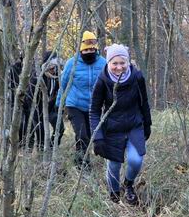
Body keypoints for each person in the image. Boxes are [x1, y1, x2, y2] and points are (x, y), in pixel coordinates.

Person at [89, 44, 151, 205]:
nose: (119, 67)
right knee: (114, 165)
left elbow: (144, 102)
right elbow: (94, 111)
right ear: (108, 63)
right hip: (112, 128)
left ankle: (128, 184)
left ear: (128, 62)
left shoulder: (137, 77)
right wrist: (98, 137)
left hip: (134, 125)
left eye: (122, 63)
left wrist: (147, 124)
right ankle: (114, 195)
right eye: (114, 63)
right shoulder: (102, 81)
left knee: (136, 160)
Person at [58, 31, 107, 168]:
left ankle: (82, 158)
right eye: (86, 50)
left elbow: (109, 84)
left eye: (92, 49)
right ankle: (82, 165)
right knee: (82, 135)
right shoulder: (71, 64)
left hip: (94, 106)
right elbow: (63, 84)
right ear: (81, 50)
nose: (89, 52)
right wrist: (58, 104)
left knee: (90, 136)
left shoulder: (103, 63)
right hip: (75, 104)